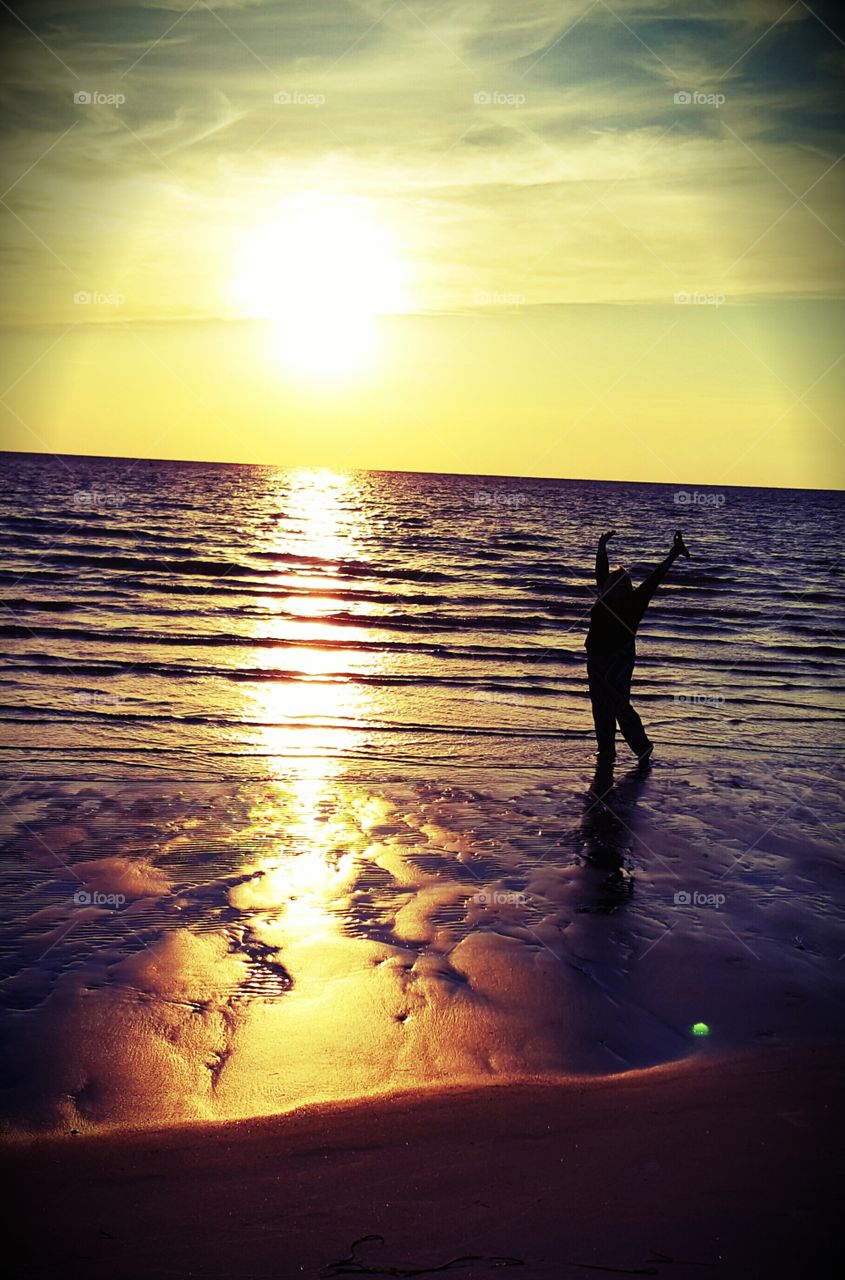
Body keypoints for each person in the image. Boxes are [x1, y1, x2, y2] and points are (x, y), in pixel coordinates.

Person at [586, 529, 690, 769]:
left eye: (623, 585)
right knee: (600, 705)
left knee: (619, 704)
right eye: (614, 583)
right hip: (596, 657)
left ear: (628, 588)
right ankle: (606, 750)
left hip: (620, 658)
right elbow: (601, 571)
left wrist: (673, 555)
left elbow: (655, 580)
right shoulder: (603, 596)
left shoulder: (634, 603)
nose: (617, 588)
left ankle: (642, 748)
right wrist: (602, 546)